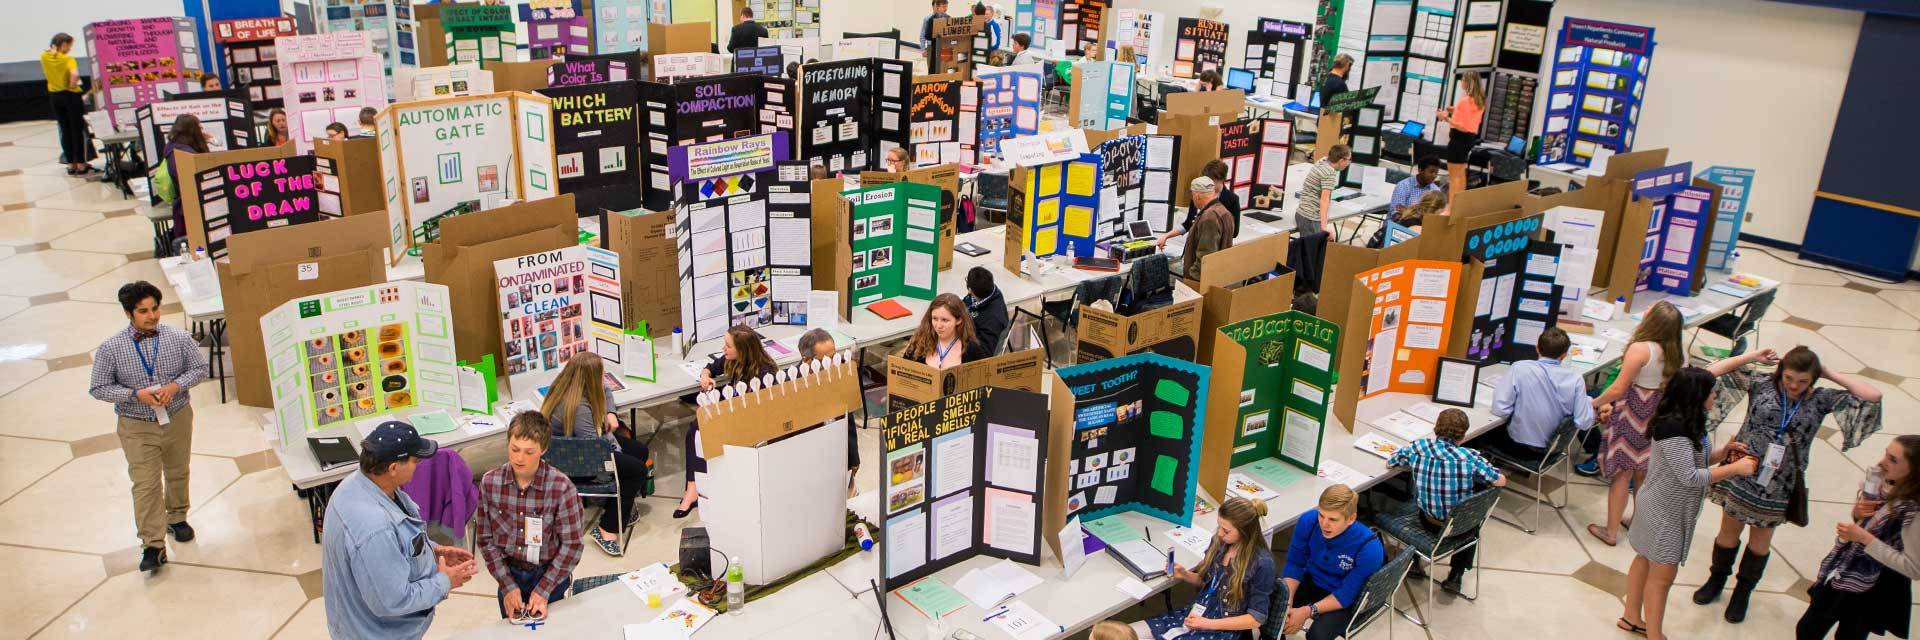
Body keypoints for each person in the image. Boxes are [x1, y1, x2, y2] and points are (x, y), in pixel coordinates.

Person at [1696, 346, 1883, 622]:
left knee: (1761, 538)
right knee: (1729, 529)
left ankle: (1743, 592)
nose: (1794, 386)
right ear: (1781, 372)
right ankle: (1716, 579)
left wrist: (1828, 372)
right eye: (1789, 378)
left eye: (1803, 381)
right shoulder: (1761, 384)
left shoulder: (1820, 399)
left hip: (1781, 481)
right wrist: (1750, 357)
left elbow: (1873, 396)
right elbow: (1709, 372)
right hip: (1742, 468)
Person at [1618, 367, 1758, 640]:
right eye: (1712, 391)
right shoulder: (1673, 430)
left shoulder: (1688, 421)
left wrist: (1724, 454)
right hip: (1664, 513)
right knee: (1661, 578)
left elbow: (1692, 464)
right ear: (1697, 395)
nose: (1716, 395)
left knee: (1644, 560)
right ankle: (1655, 634)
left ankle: (1631, 617)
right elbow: (1690, 477)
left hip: (1664, 507)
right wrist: (1735, 469)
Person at [87, 281, 208, 573]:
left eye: (155, 309)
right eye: (143, 311)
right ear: (129, 313)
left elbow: (200, 369)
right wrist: (134, 394)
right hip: (136, 425)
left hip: (177, 416)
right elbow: (99, 388)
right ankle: (152, 545)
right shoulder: (110, 349)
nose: (151, 316)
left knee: (178, 469)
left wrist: (176, 386)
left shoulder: (178, 338)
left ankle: (177, 517)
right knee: (145, 484)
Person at [323, 422, 478, 637]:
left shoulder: (357, 484)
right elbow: (392, 601)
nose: (419, 465)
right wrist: (444, 582)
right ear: (393, 468)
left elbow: (398, 540)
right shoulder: (375, 529)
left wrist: (431, 550)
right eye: (415, 460)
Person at [1797, 435, 1920, 640]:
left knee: (1851, 633)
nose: (1882, 462)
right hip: (1843, 570)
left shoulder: (1913, 513)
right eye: (1886, 454)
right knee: (1808, 627)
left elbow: (1913, 568)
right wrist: (1858, 513)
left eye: (1893, 459)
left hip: (1872, 586)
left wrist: (1865, 539)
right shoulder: (1881, 482)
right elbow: (1867, 522)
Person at [1586, 300, 1685, 547]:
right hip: (1657, 414)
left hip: (1633, 413)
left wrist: (1595, 402)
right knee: (1643, 473)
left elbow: (1619, 388)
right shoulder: (1678, 353)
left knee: (1622, 473)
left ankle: (1610, 532)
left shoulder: (1640, 349)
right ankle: (1637, 522)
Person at [476, 412, 584, 619]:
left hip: (551, 574)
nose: (519, 458)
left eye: (529, 452)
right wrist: (507, 586)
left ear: (543, 449)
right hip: (509, 573)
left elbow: (572, 545)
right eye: (514, 449)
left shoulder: (561, 488)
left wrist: (543, 590)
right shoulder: (490, 483)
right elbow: (485, 539)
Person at [1385, 408, 1506, 593]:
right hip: (1460, 527)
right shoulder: (1470, 458)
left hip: (1428, 522)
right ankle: (1455, 575)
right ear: (1463, 436)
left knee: (1417, 497)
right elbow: (1500, 480)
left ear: (1436, 429)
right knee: (1471, 516)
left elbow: (1391, 462)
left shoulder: (1419, 448)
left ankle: (1415, 562)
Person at [540, 352, 649, 554]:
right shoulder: (579, 408)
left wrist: (611, 413)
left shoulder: (565, 386)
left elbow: (606, 390)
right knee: (637, 470)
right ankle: (607, 528)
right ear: (590, 378)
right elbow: (596, 446)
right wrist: (616, 445)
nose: (604, 376)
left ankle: (618, 504)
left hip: (576, 449)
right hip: (579, 460)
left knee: (639, 450)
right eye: (601, 373)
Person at [1129, 497, 1277, 639]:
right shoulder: (1219, 543)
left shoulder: (1262, 563)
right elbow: (1208, 582)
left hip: (1222, 629)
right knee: (1125, 633)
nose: (1219, 533)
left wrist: (1210, 624)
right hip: (1195, 615)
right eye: (1219, 526)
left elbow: (1256, 618)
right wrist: (1185, 574)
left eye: (1226, 531)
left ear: (1246, 531)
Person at [682, 325, 779, 517]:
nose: (723, 349)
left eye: (728, 346)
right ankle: (693, 486)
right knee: (695, 429)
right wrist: (705, 376)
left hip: (749, 422)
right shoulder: (734, 359)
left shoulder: (763, 374)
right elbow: (711, 367)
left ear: (742, 349)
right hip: (733, 410)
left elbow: (751, 410)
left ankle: (695, 487)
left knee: (698, 428)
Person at [1282, 485, 1385, 639]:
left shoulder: (1370, 549)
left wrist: (1306, 611)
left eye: (1333, 519)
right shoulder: (1308, 521)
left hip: (1342, 598)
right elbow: (1295, 564)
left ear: (1351, 519)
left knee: (1318, 635)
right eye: (1321, 515)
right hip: (1313, 579)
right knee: (1272, 607)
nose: (1324, 524)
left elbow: (1346, 596)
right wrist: (1286, 602)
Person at [1484, 326, 1597, 464]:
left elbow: (1500, 409)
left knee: (1483, 433)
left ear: (1537, 348)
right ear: (1565, 354)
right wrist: (1587, 401)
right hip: (1553, 450)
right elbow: (1584, 422)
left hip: (1518, 446)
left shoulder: (1520, 368)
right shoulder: (1576, 379)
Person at [798, 328, 860, 485]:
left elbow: (849, 420)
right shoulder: (790, 386)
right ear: (806, 360)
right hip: (808, 463)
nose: (832, 364)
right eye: (825, 359)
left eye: (834, 357)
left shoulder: (839, 374)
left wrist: (853, 458)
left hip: (837, 455)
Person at [1154, 160, 1241, 249]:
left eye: (1212, 181)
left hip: (1214, 249)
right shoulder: (1198, 195)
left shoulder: (1232, 200)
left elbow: (1234, 232)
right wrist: (1166, 236)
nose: (1208, 185)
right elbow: (1188, 223)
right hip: (1194, 246)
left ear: (1222, 180)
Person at [42, 33, 93, 175]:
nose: (70, 48)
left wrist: (53, 51)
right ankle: (82, 164)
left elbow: (50, 53)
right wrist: (71, 86)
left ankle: (71, 164)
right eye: (69, 45)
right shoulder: (67, 59)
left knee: (64, 130)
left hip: (55, 96)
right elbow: (75, 74)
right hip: (70, 96)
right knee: (76, 130)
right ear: (63, 44)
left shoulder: (44, 57)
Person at [902, 293, 991, 368]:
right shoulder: (918, 344)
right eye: (935, 319)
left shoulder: (972, 349)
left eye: (945, 320)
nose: (939, 326)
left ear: (958, 320)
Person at [162, 114, 210, 241]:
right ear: (192, 130)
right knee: (198, 247)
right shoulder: (185, 155)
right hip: (190, 210)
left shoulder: (174, 147)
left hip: (183, 206)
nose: (202, 131)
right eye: (199, 128)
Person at [1437, 73, 1486, 196]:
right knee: (1461, 174)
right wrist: (1455, 110)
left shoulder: (1465, 101)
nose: (1461, 82)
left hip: (1458, 139)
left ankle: (1450, 208)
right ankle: (1458, 206)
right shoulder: (1479, 100)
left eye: (1463, 80)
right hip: (1468, 140)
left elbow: (1463, 127)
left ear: (1469, 82)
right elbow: (1470, 119)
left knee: (1453, 177)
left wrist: (1445, 117)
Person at [1179, 175, 1235, 279]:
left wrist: (1192, 276)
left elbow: (1205, 256)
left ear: (1197, 196)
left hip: (1202, 282)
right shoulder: (1224, 211)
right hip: (1219, 276)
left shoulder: (1209, 218)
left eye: (1192, 195)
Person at [1292, 144, 1350, 236]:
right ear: (1341, 160)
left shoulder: (1323, 161)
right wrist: (1324, 227)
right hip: (1311, 219)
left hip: (1302, 213)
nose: (1349, 163)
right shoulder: (1329, 173)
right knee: (1312, 249)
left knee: (1308, 248)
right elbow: (1324, 200)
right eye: (1348, 160)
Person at [963, 267, 1009, 354]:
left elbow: (984, 352)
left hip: (971, 349)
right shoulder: (987, 290)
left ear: (970, 290)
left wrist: (958, 342)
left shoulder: (993, 320)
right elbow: (966, 302)